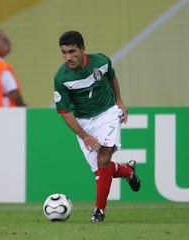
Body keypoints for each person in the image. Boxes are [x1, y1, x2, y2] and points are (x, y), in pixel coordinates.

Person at [53, 30, 141, 222]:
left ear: (83, 49)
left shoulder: (101, 61)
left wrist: (119, 100)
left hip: (107, 112)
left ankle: (99, 211)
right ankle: (128, 171)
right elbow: (64, 112)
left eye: (72, 51)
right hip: (84, 122)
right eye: (64, 52)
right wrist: (84, 135)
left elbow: (111, 76)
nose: (68, 57)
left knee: (103, 158)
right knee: (101, 170)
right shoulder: (61, 78)